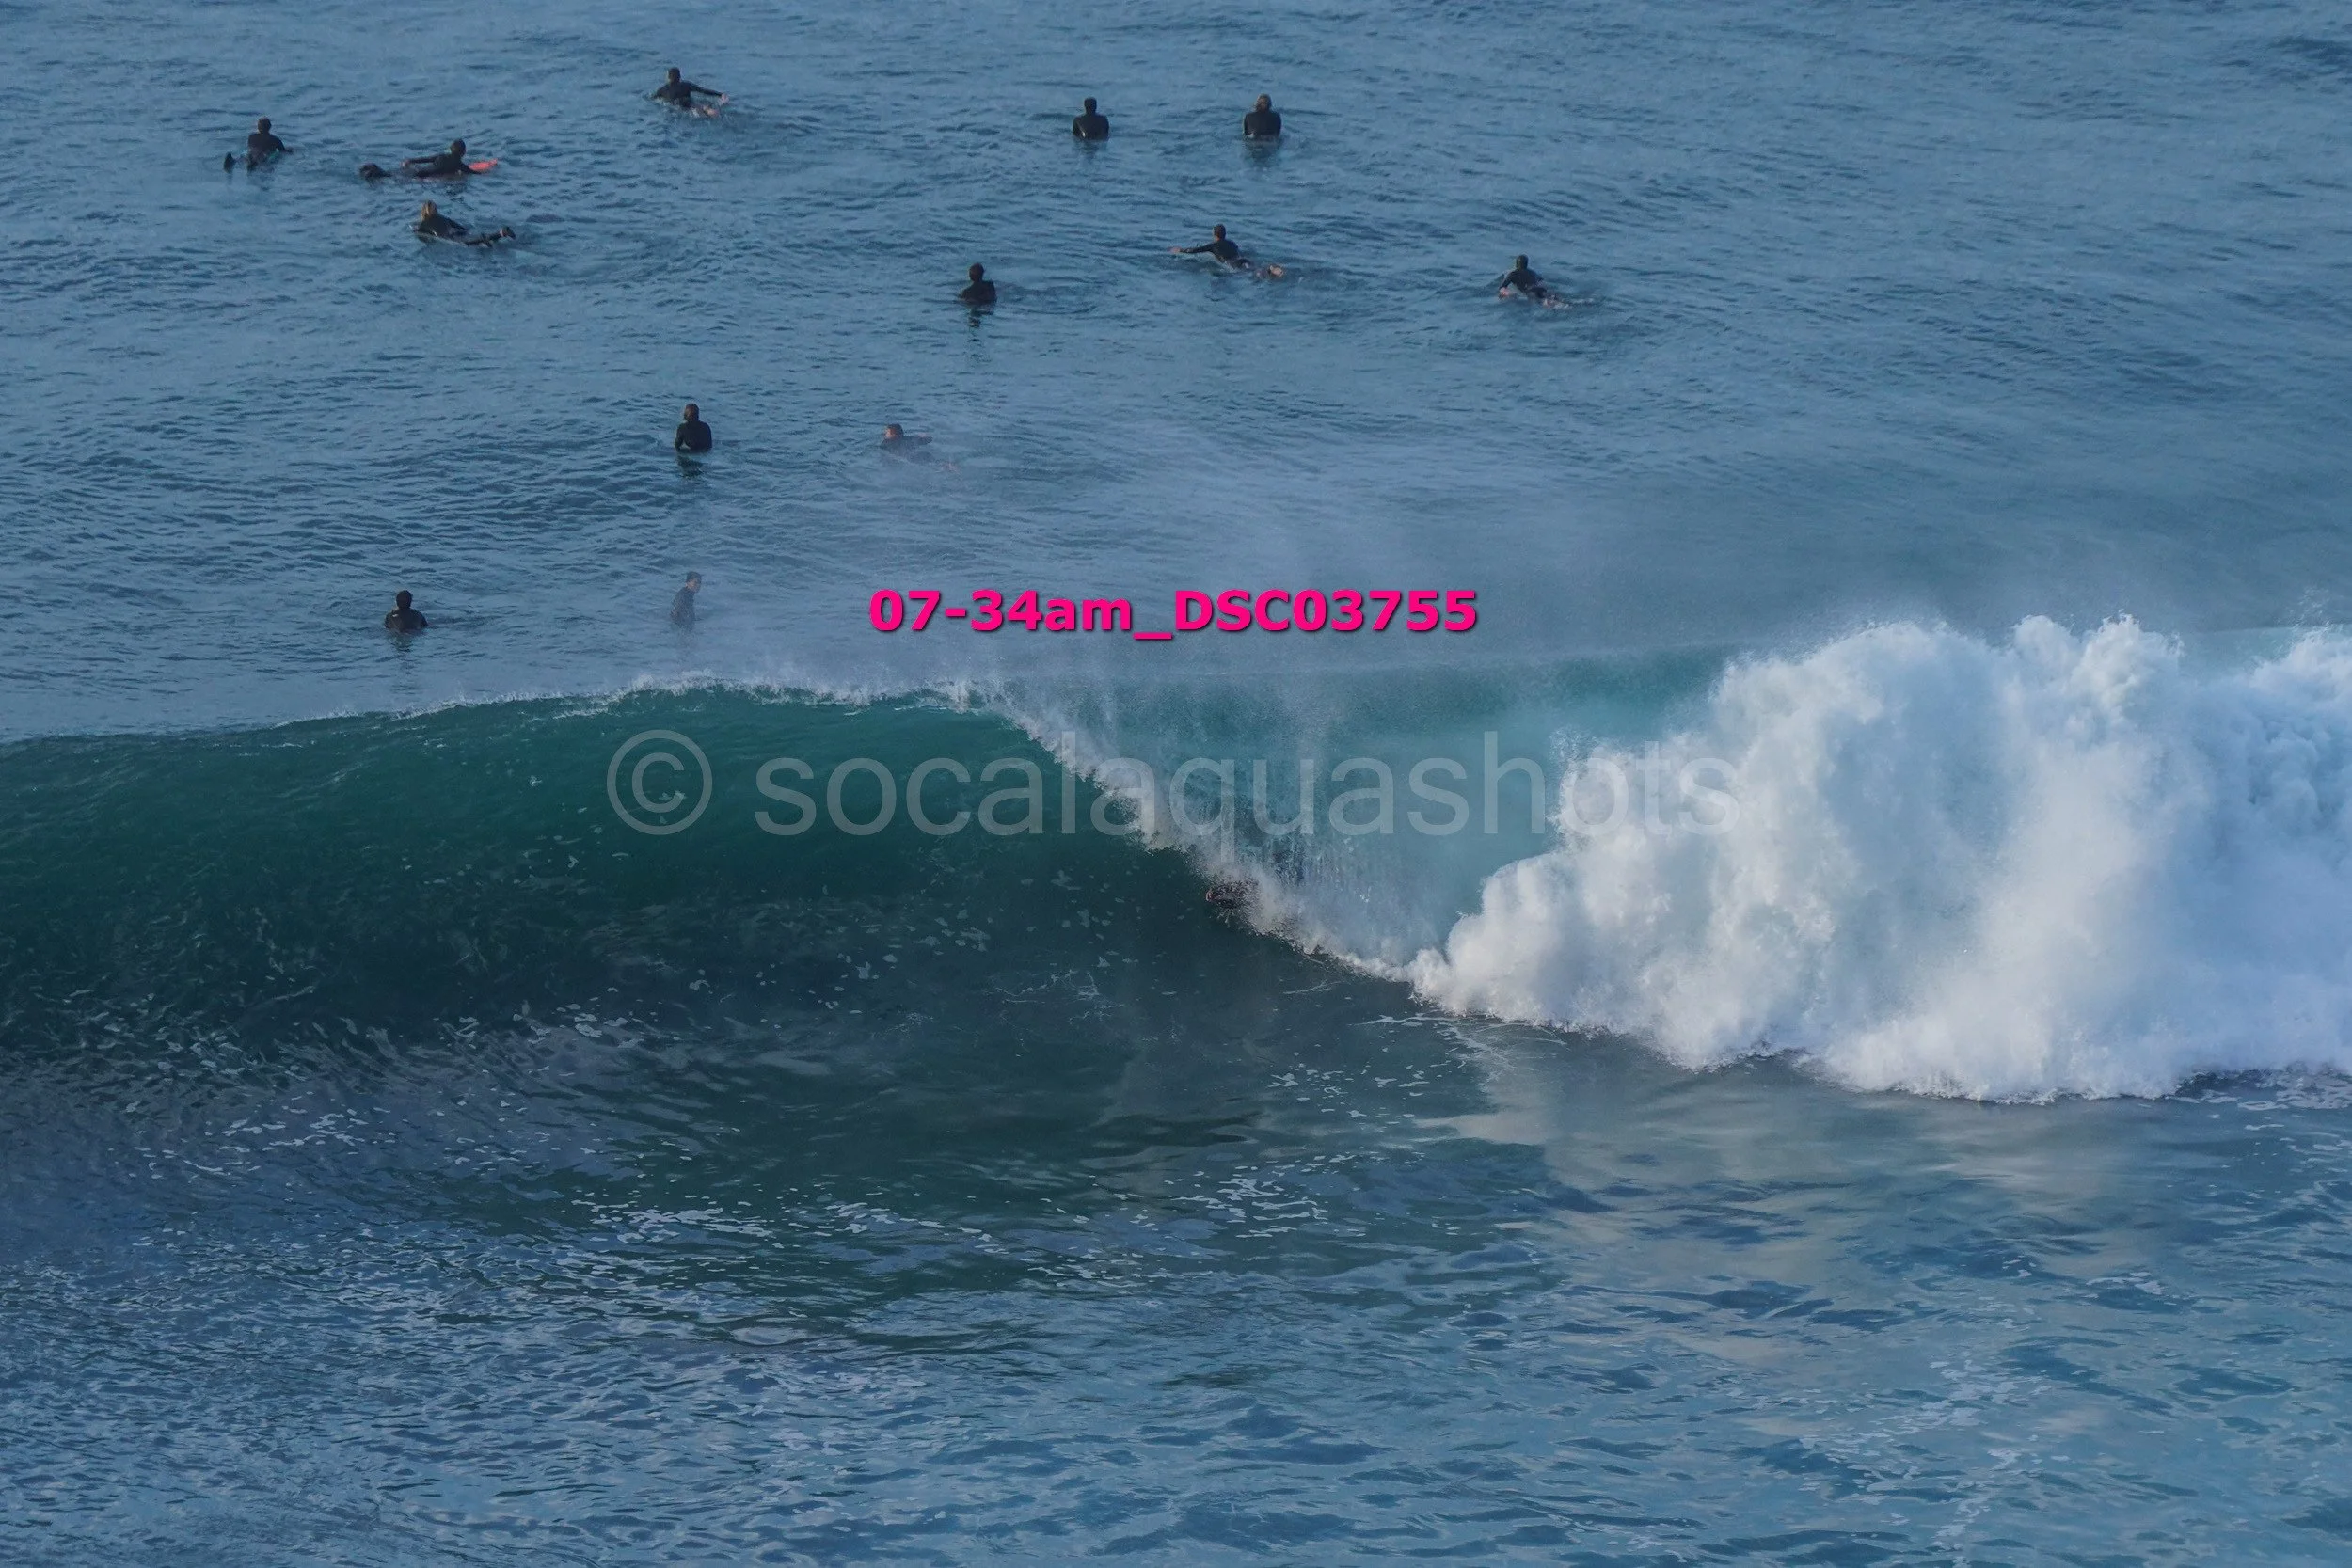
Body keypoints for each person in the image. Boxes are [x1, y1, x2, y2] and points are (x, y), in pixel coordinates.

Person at [414, 201, 511, 245]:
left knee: (470, 243)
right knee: (476, 238)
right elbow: (461, 228)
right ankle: (501, 233)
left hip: (448, 236)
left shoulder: (424, 224)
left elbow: (421, 236)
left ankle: (482, 238)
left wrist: (416, 230)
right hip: (456, 231)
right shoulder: (443, 218)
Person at [1174, 224, 1248, 267]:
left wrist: (1180, 250)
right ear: (1225, 234)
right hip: (1243, 260)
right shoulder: (1232, 243)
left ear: (1214, 234)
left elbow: (1194, 250)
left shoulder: (1213, 246)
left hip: (1232, 265)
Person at [653, 67, 722, 108]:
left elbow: (653, 99)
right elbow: (703, 91)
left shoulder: (662, 90)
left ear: (668, 77)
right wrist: (720, 94)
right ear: (679, 77)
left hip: (676, 107)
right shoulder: (686, 85)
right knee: (699, 107)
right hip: (690, 104)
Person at [403, 139, 472, 179]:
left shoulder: (441, 156)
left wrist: (411, 161)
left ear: (450, 149)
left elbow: (426, 159)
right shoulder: (459, 165)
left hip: (420, 171)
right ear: (463, 153)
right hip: (426, 178)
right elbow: (472, 172)